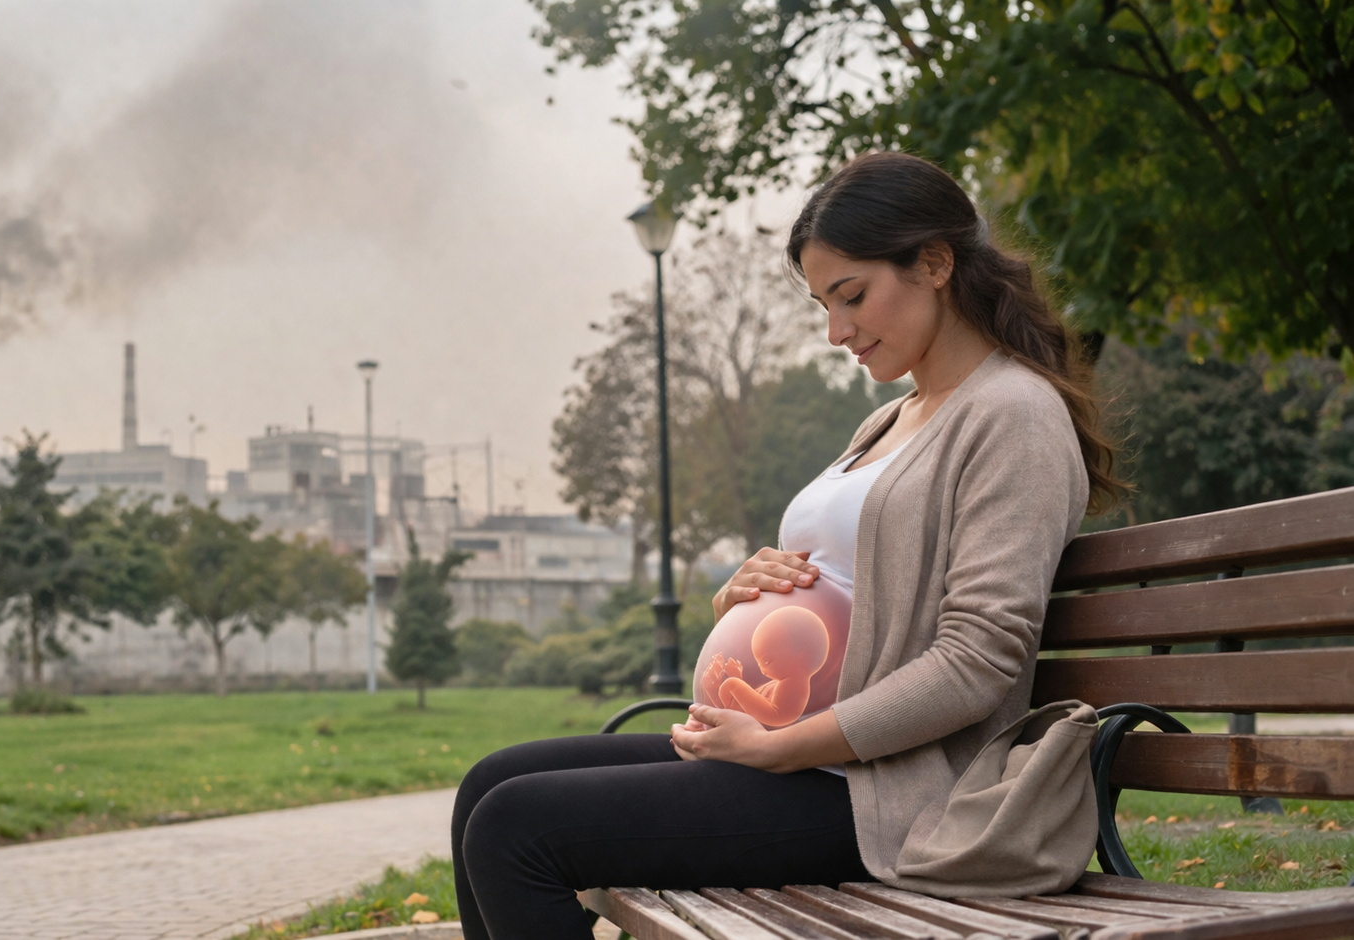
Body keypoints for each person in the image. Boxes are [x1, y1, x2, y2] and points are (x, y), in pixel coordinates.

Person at [450, 151, 1125, 939]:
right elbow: (849, 588)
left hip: (885, 791)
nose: (837, 331)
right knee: (488, 784)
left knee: (516, 827)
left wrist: (781, 749)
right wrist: (745, 596)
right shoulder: (891, 418)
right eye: (822, 305)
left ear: (935, 263)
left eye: (852, 296)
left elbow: (978, 659)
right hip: (798, 755)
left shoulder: (1011, 413)